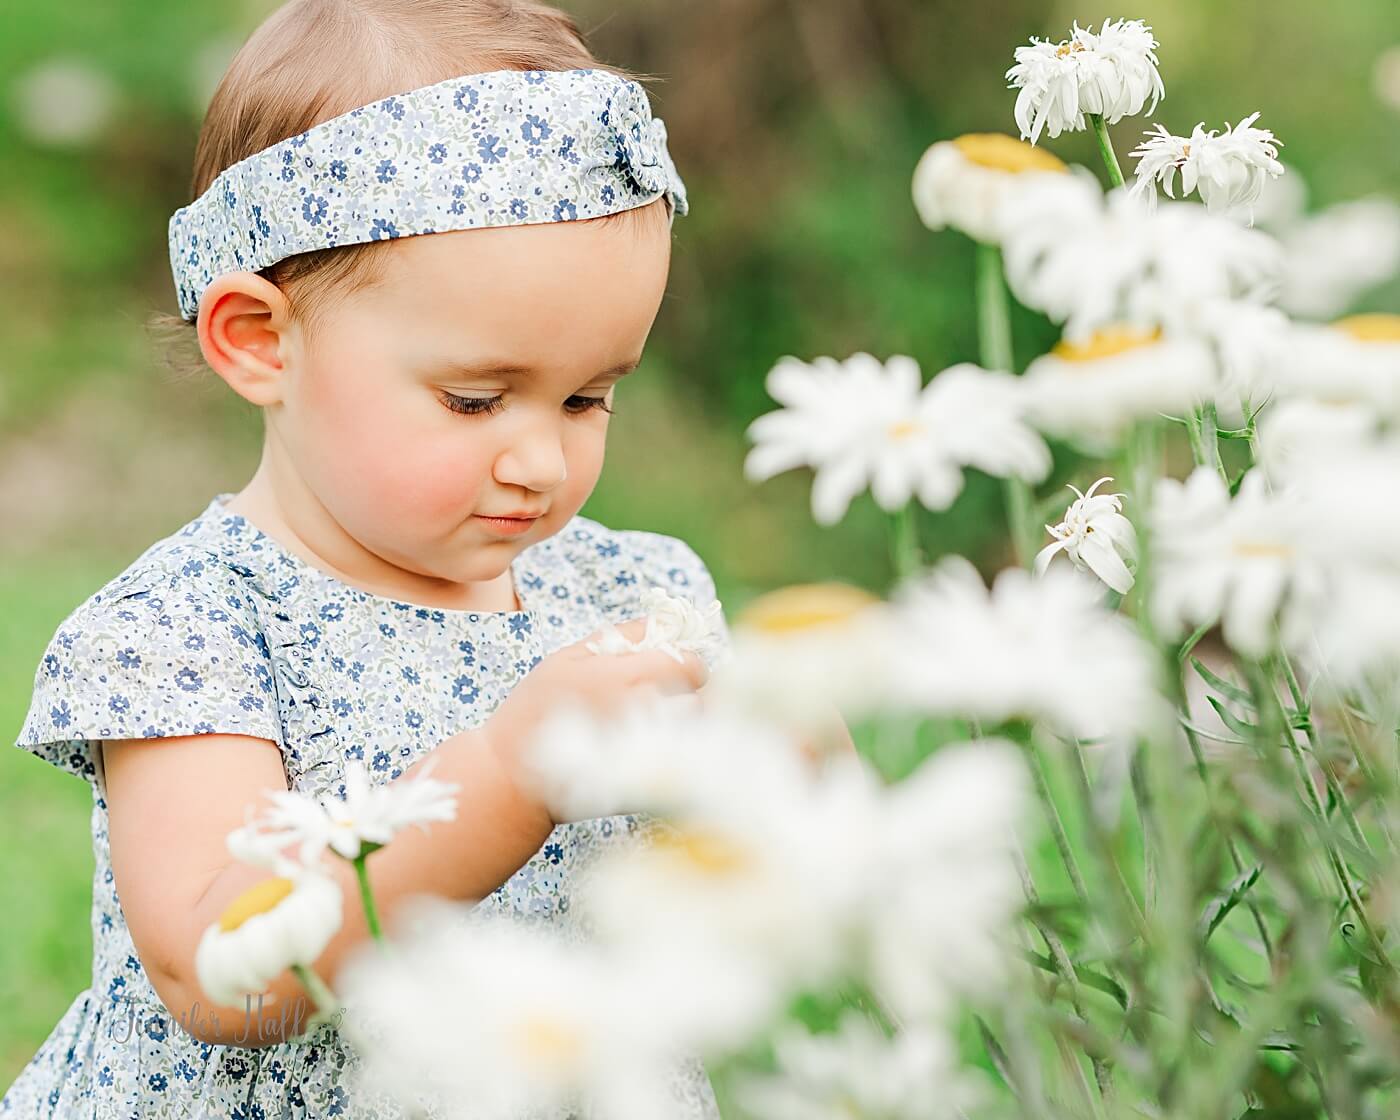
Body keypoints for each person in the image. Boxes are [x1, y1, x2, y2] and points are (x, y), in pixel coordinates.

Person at [2, 1, 728, 1115]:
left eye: (589, 394)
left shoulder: (630, 594)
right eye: (474, 398)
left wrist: (776, 774)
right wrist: (508, 770)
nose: (540, 456)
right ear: (259, 339)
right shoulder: (189, 633)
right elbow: (214, 967)